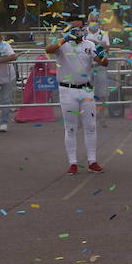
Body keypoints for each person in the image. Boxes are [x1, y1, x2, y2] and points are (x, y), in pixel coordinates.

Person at [45, 18, 106, 175]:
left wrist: (103, 56)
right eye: (75, 28)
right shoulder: (62, 45)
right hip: (68, 90)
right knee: (71, 127)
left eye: (81, 28)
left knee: (90, 126)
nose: (79, 31)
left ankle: (92, 160)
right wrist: (65, 39)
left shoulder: (89, 45)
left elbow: (103, 62)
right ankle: (73, 162)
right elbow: (49, 49)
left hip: (85, 90)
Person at [85, 16, 112, 110]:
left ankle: (102, 118)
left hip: (99, 66)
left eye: (96, 21)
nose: (94, 23)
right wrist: (100, 44)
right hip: (85, 67)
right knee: (85, 93)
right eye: (92, 21)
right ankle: (86, 116)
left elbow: (107, 48)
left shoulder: (103, 33)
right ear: (88, 21)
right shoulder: (83, 33)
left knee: (102, 93)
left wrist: (95, 42)